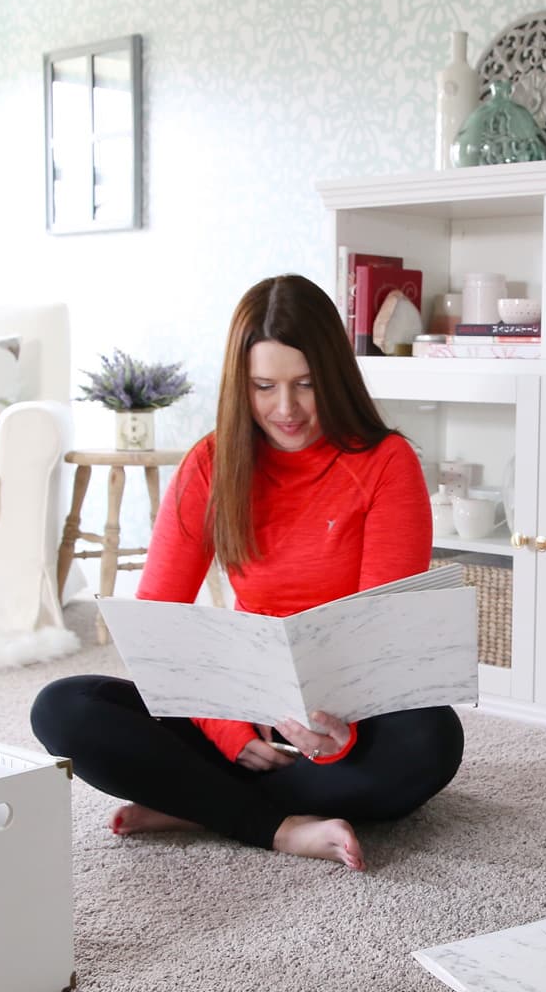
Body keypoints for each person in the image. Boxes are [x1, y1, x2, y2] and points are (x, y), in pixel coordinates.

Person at [30, 274, 464, 870]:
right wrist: (231, 731)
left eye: (306, 385)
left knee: (431, 743)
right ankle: (278, 827)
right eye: (264, 387)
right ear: (242, 384)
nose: (285, 410)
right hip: (235, 708)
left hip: (344, 721)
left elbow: (381, 641)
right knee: (64, 708)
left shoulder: (387, 464)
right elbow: (157, 630)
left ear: (334, 376)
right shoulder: (211, 464)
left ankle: (198, 804)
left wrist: (335, 736)